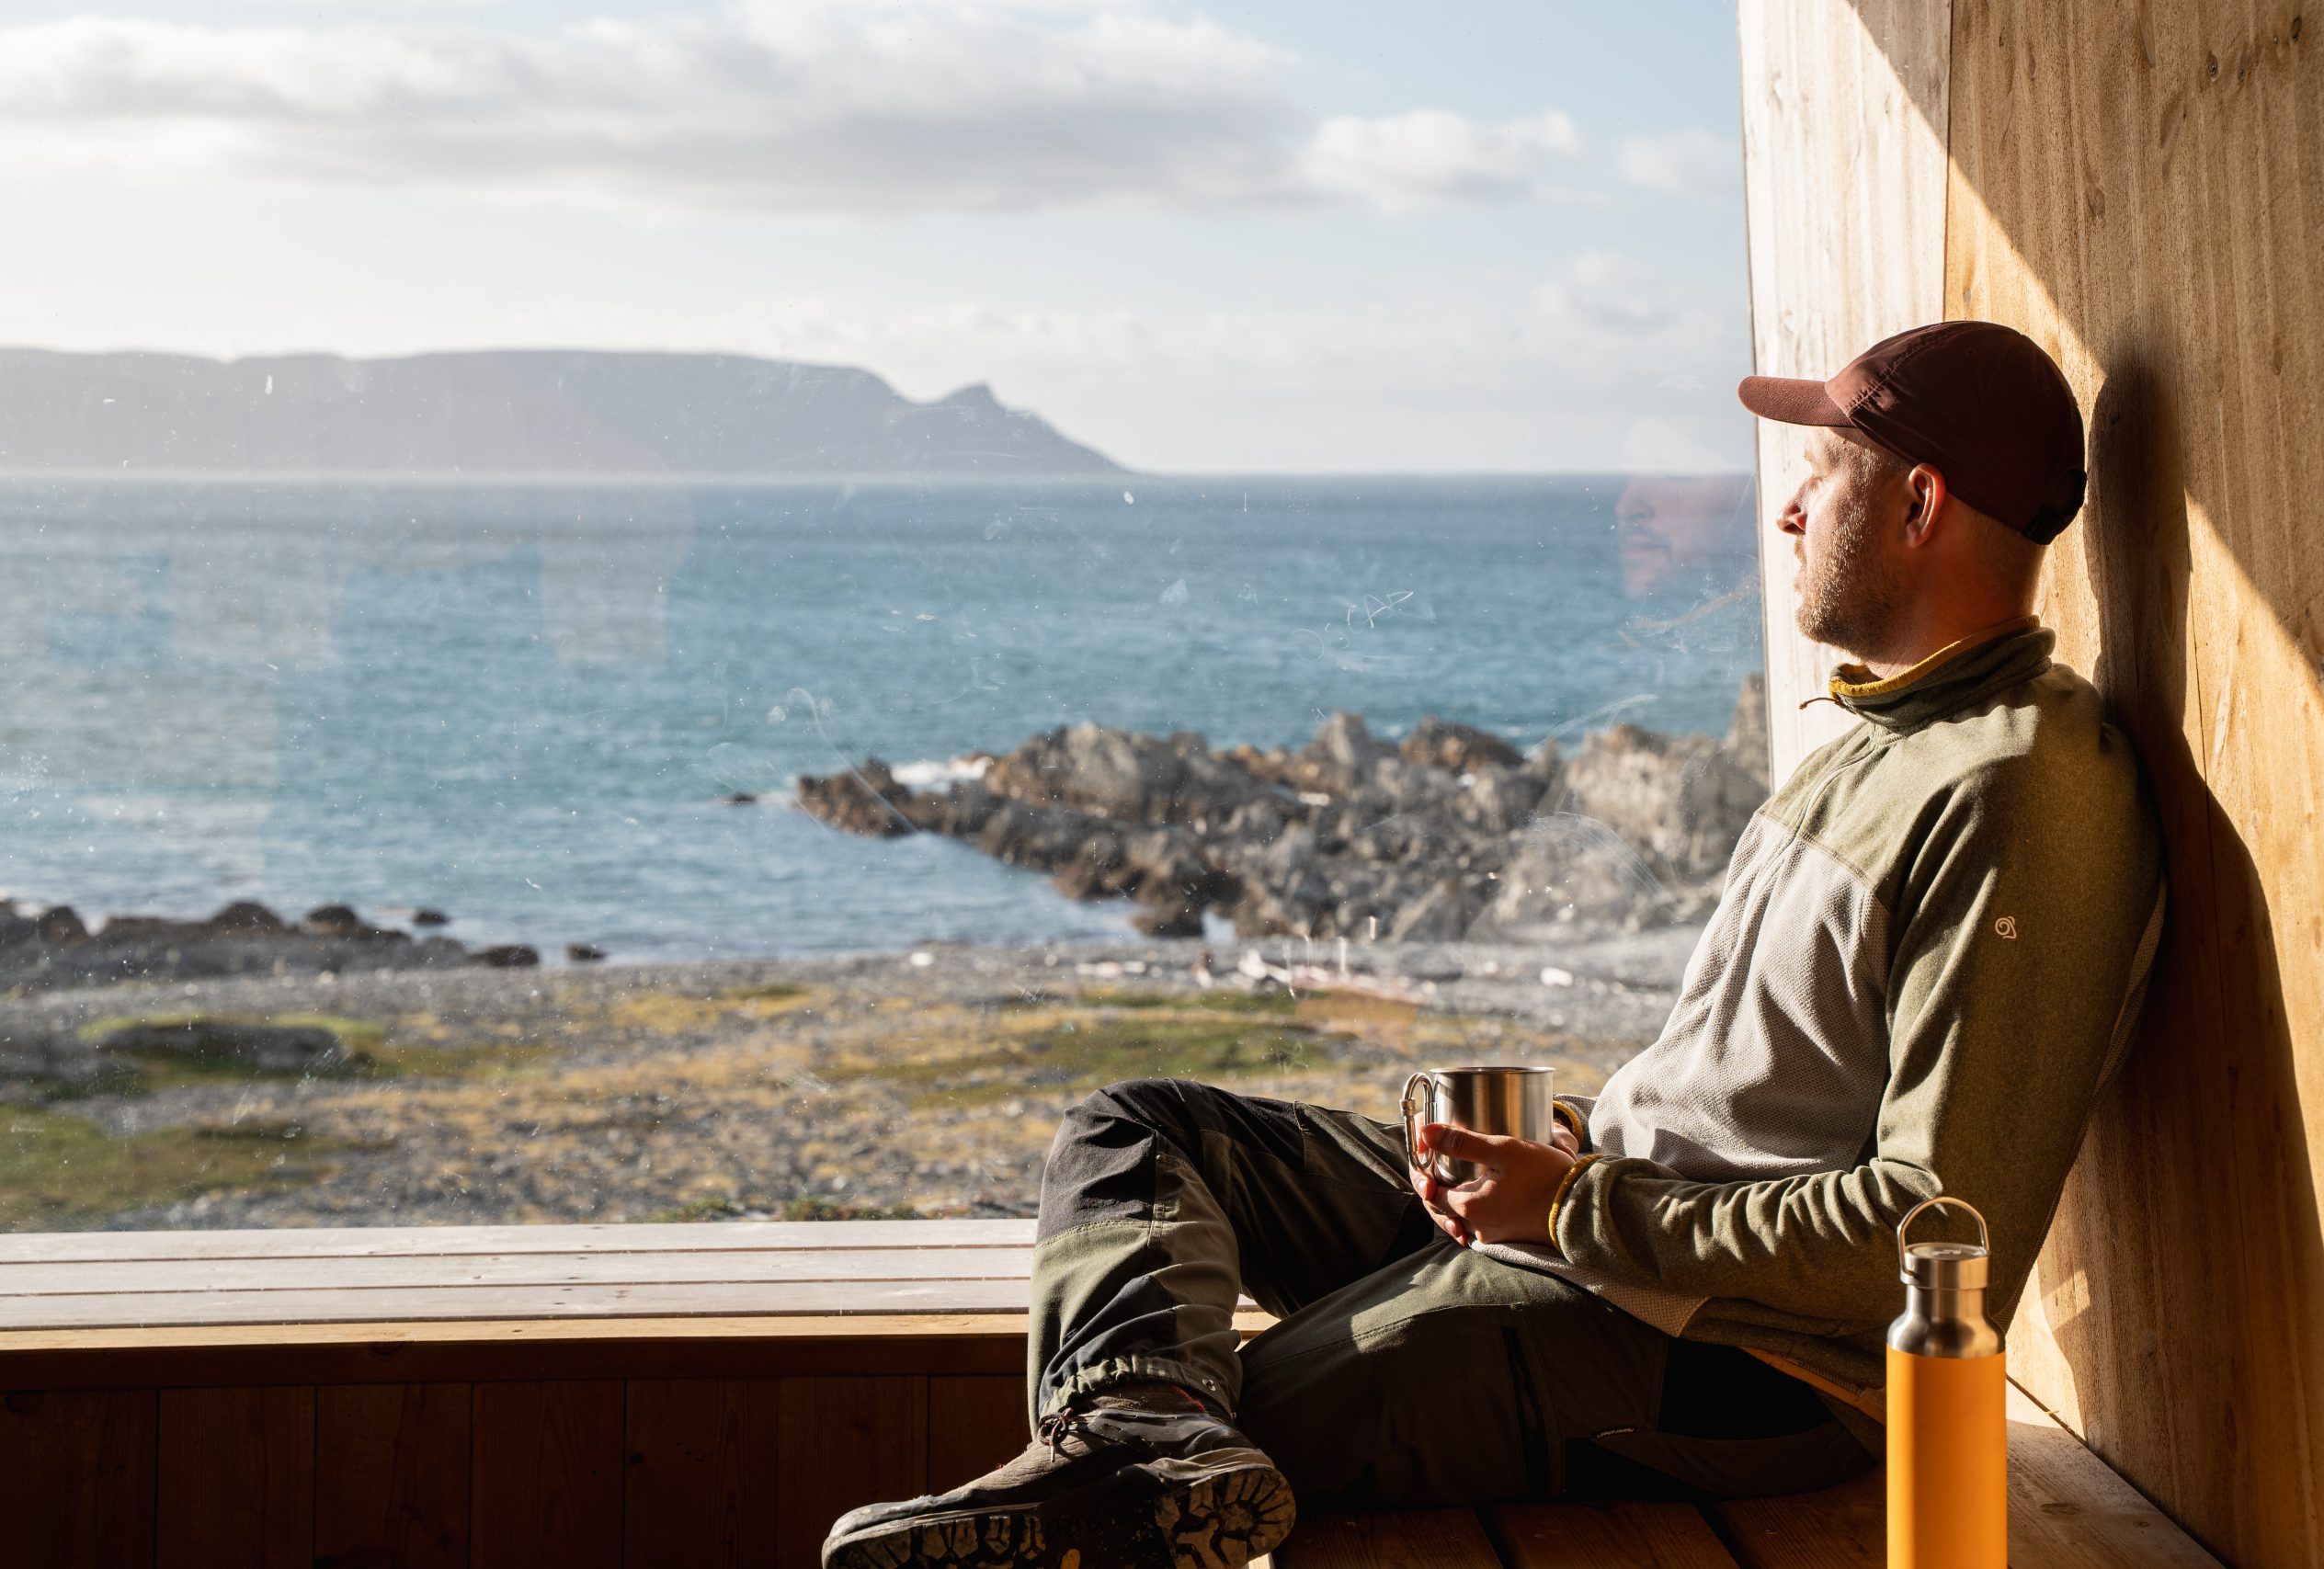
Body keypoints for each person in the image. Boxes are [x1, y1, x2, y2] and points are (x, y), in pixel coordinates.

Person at [821, 321, 2166, 1569]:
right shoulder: (1880, 739)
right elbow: (1759, 1090)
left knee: (1249, 1422)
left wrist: (1570, 1209)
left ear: (1921, 504)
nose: (1790, 507)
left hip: (1753, 1365)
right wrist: (1567, 1156)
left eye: (1825, 470)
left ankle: (1127, 1472)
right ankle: (1132, 1448)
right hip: (1616, 1233)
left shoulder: (2017, 794)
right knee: (1138, 1135)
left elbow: (1934, 1232)